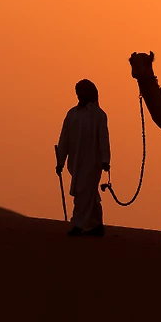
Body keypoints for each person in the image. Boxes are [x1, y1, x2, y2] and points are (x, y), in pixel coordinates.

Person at [56, 79, 111, 236]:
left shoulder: (99, 116)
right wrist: (60, 160)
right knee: (89, 193)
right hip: (75, 162)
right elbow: (64, 139)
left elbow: (104, 139)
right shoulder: (72, 114)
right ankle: (96, 225)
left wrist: (105, 160)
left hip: (93, 162)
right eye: (78, 91)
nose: (80, 94)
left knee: (83, 192)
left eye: (83, 91)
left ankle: (78, 225)